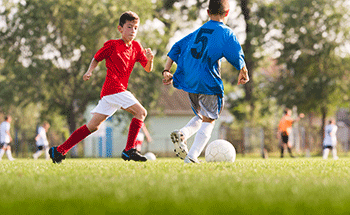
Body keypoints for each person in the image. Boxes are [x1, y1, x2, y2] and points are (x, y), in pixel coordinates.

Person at [49, 11, 154, 164]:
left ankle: (59, 151)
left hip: (111, 93)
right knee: (141, 112)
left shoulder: (137, 47)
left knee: (93, 126)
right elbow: (97, 58)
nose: (133, 31)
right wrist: (89, 71)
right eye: (129, 27)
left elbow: (148, 68)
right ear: (120, 29)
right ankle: (129, 150)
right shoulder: (112, 45)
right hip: (114, 89)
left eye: (135, 28)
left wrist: (151, 60)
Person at [162, 0, 249, 163]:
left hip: (190, 81)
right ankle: (192, 156)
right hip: (207, 81)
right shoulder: (225, 32)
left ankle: (183, 134)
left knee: (202, 116)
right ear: (227, 13)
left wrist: (166, 71)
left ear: (208, 12)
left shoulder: (197, 32)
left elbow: (175, 47)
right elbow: (237, 55)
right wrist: (243, 71)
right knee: (210, 120)